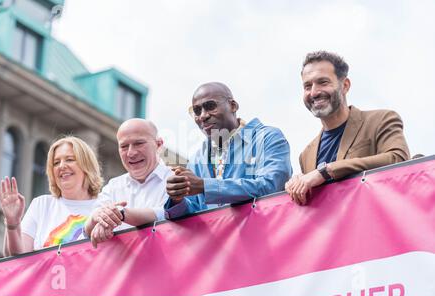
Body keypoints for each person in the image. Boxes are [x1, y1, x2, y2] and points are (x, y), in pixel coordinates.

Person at [285, 51, 410, 205]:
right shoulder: (306, 154)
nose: (314, 92)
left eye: (323, 82)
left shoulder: (381, 120)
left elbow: (399, 158)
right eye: (307, 86)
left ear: (345, 85)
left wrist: (326, 171)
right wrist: (295, 184)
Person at [165, 82, 293, 218]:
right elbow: (192, 214)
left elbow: (272, 186)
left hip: (263, 236)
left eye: (210, 106)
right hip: (218, 239)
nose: (203, 116)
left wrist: (205, 186)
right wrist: (177, 199)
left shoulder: (267, 138)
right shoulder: (197, 159)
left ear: (233, 106)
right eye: (197, 111)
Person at [0, 136, 103, 256]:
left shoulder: (103, 206)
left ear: (86, 165)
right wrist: (13, 222)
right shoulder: (41, 204)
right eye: (56, 163)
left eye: (69, 159)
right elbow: (17, 257)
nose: (62, 166)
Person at [84, 119, 172, 248]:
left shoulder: (175, 179)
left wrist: (119, 214)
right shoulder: (113, 186)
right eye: (124, 146)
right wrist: (97, 219)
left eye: (139, 143)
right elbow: (87, 229)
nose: (131, 153)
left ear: (158, 145)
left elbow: (167, 214)